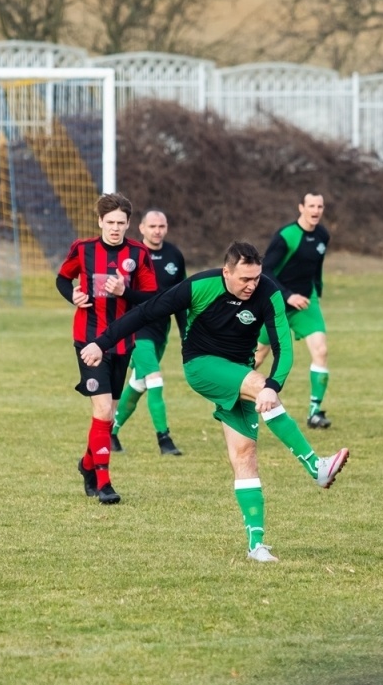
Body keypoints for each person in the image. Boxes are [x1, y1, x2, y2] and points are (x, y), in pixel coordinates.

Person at [79, 242, 350, 562]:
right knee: (258, 384)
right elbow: (146, 311)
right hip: (202, 366)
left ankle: (256, 545)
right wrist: (101, 342)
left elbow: (283, 346)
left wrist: (274, 385)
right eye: (244, 279)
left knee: (245, 455)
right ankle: (315, 466)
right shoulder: (200, 285)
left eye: (256, 278)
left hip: (239, 370)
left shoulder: (268, 291)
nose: (252, 285)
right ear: (227, 272)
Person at [57, 194, 158, 505]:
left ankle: (87, 465)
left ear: (129, 224)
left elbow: (152, 299)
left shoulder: (138, 253)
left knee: (109, 416)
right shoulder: (83, 249)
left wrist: (124, 290)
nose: (115, 228)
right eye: (110, 222)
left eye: (121, 223)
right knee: (101, 411)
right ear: (99, 221)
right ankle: (104, 483)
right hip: (88, 340)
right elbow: (63, 278)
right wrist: (72, 296)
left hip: (123, 341)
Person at [110, 210, 186, 456]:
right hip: (134, 328)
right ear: (141, 228)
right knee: (155, 379)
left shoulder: (175, 255)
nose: (157, 230)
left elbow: (181, 299)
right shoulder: (129, 255)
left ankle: (110, 431)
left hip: (159, 331)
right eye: (152, 226)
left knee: (139, 383)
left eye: (161, 226)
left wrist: (186, 335)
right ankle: (164, 439)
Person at [262, 192, 333, 429]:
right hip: (276, 300)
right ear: (301, 207)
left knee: (321, 350)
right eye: (311, 205)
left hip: (305, 301)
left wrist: (317, 290)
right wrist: (287, 295)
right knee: (258, 355)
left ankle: (314, 412)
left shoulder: (323, 235)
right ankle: (232, 399)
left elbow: (316, 267)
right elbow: (266, 271)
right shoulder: (286, 236)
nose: (315, 210)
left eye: (320, 206)